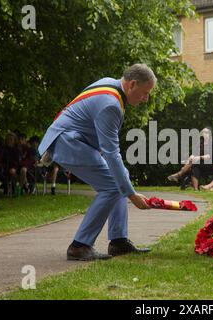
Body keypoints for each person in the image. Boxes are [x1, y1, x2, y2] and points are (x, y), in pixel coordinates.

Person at [38, 64, 156, 261]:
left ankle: (118, 242)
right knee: (113, 186)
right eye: (145, 93)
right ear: (132, 84)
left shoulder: (110, 84)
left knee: (120, 178)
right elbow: (111, 153)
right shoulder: (111, 104)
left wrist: (126, 185)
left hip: (70, 140)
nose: (146, 98)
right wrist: (132, 195)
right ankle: (80, 246)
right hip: (68, 142)